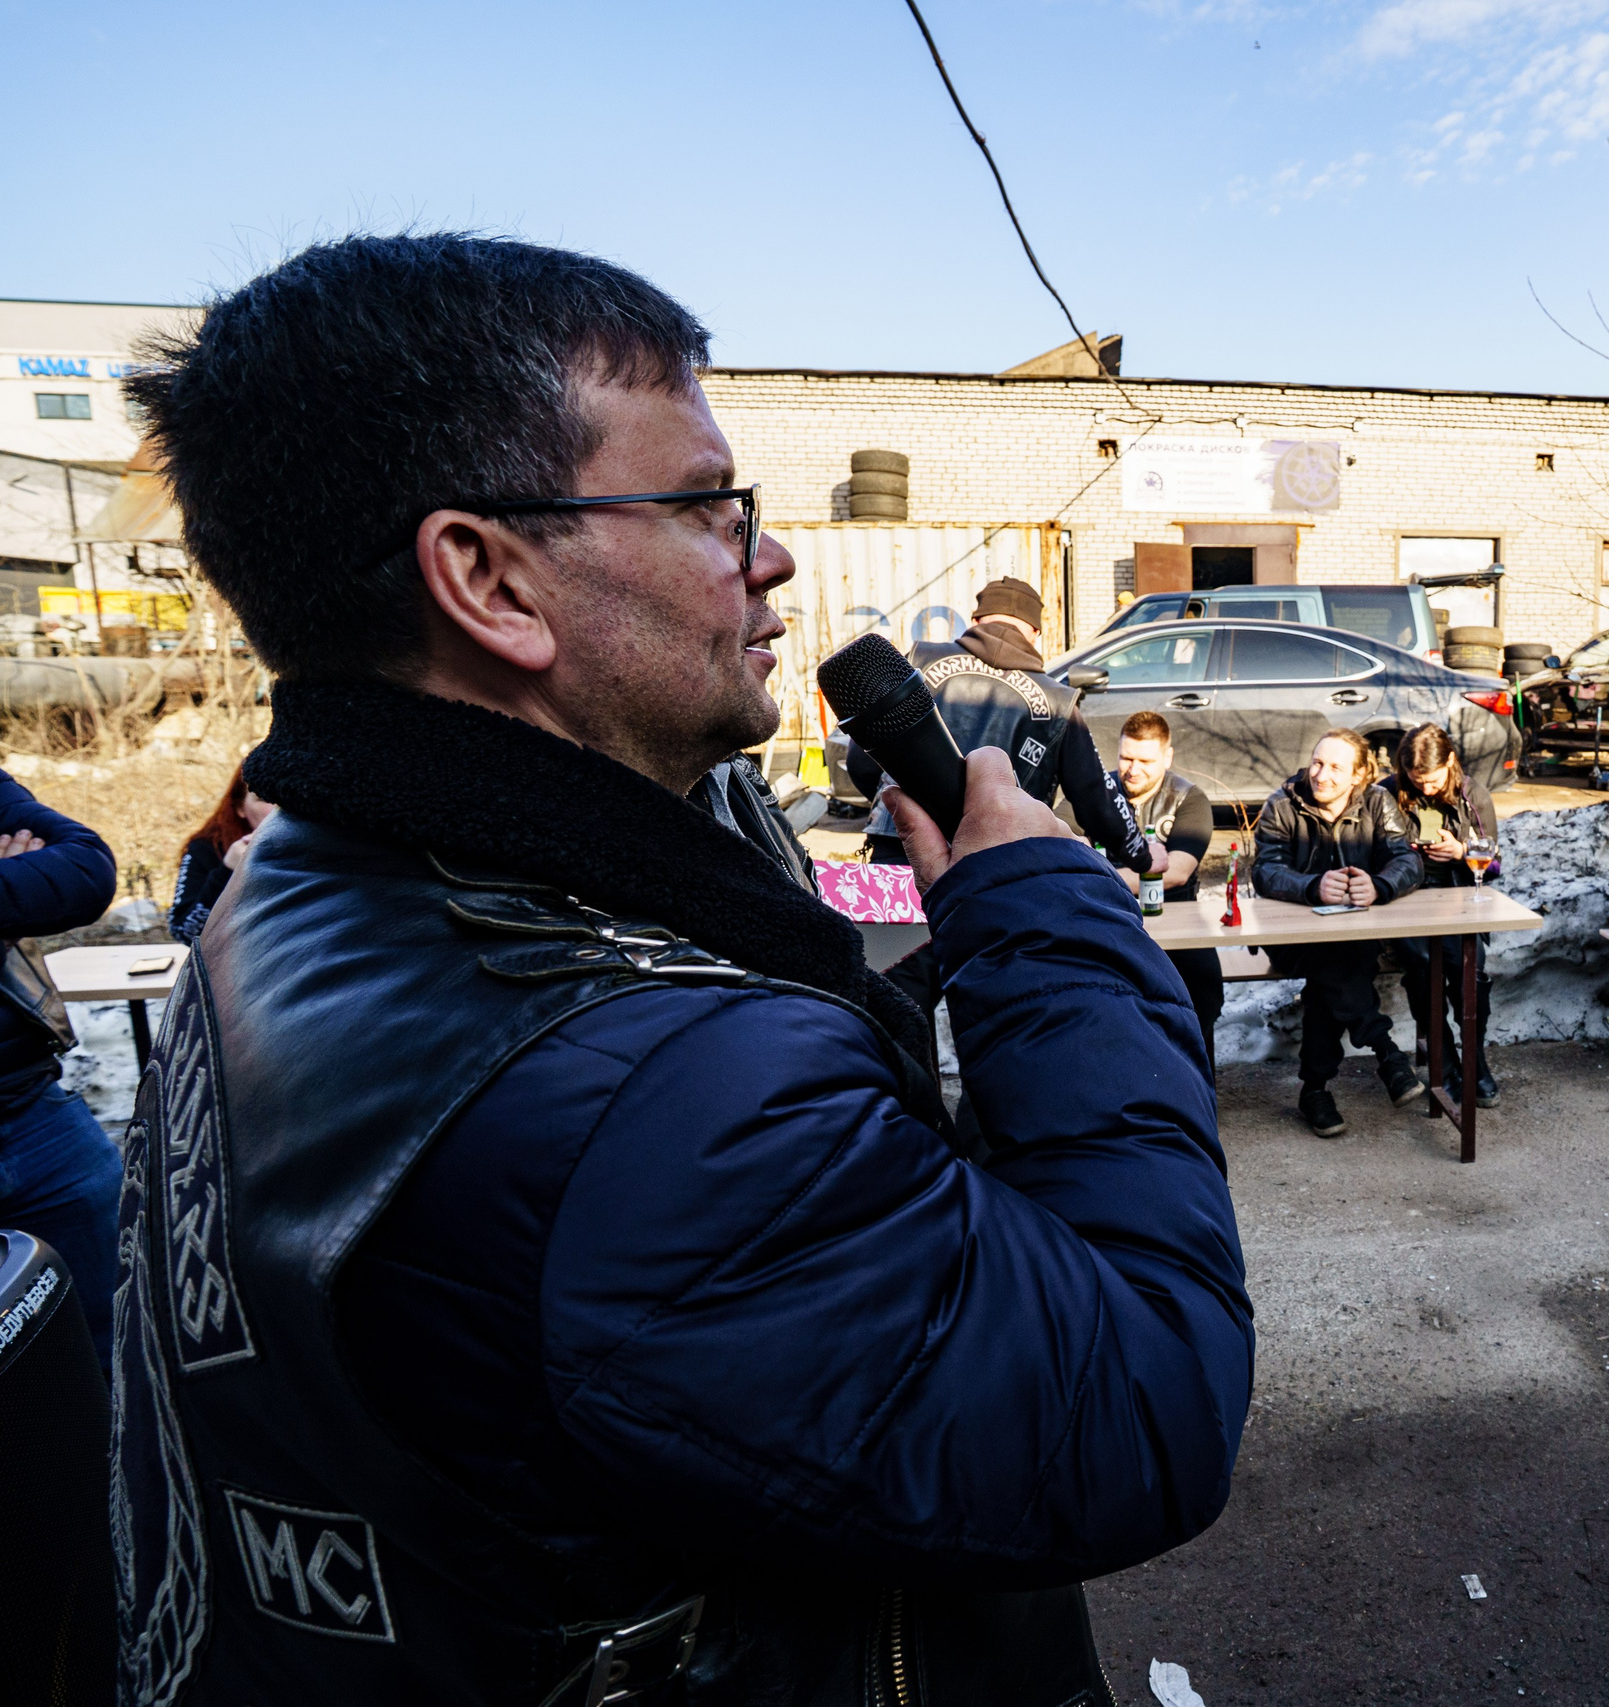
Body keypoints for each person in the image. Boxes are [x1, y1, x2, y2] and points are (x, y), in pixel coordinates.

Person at [114, 234, 1250, 1705]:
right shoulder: (665, 1099)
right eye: (710, 507)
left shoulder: (295, 887)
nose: (768, 555)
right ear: (488, 578)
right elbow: (1143, 1395)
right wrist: (1041, 906)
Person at [851, 575, 1151, 877]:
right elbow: (1096, 797)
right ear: (1034, 632)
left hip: (902, 850)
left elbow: (862, 760)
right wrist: (1143, 856)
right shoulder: (1057, 700)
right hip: (1002, 863)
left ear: (976, 619)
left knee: (895, 926)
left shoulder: (919, 661)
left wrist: (901, 809)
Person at [0, 758, 117, 1363]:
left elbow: (87, 870)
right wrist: (2, 909)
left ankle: (117, 1456)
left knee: (119, 1326)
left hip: (33, 1114)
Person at [1253, 728, 1426, 1136]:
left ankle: (1314, 1089)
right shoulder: (1283, 804)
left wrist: (1378, 885)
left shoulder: (1377, 802)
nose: (1321, 774)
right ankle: (1387, 1054)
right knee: (1335, 960)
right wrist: (1311, 887)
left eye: (1335, 767)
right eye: (1317, 762)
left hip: (1355, 938)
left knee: (1331, 976)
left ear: (1358, 776)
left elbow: (1406, 859)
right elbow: (1265, 870)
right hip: (1291, 940)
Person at [1387, 723, 1502, 1109]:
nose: (1426, 788)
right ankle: (1447, 1061)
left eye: (1433, 780)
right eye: (1417, 780)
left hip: (1456, 896)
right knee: (1421, 964)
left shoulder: (1472, 795)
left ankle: (1476, 1057)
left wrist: (1460, 853)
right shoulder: (1390, 792)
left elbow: (1496, 863)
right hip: (1405, 899)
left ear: (1450, 761)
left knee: (1469, 968)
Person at [1115, 709, 1222, 1071]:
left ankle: (1196, 1085)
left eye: (1145, 760)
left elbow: (1176, 872)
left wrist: (1104, 874)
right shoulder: (1096, 793)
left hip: (1178, 917)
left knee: (1203, 993)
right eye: (1126, 758)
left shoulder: (1188, 798)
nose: (1133, 769)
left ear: (1167, 756)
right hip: (1112, 916)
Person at [168, 764, 276, 944]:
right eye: (265, 798)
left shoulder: (326, 846)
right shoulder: (207, 848)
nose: (278, 809)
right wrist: (228, 871)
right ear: (240, 808)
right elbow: (186, 932)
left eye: (287, 798)